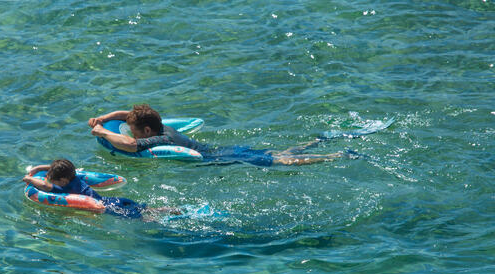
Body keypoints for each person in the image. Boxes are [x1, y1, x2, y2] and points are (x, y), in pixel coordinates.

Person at [89, 104, 354, 166]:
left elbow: (131, 145)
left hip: (220, 160)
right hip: (222, 149)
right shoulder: (163, 127)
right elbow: (128, 115)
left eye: (136, 129)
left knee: (278, 161)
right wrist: (105, 118)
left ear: (147, 131)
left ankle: (333, 155)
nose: (130, 128)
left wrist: (101, 131)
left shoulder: (162, 139)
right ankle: (319, 140)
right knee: (274, 154)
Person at [23, 159, 179, 221]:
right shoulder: (75, 178)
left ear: (62, 181)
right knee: (145, 209)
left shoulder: (63, 187)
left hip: (108, 208)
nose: (50, 180)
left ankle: (162, 220)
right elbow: (58, 169)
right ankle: (169, 209)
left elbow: (44, 187)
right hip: (114, 201)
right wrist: (39, 168)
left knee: (141, 218)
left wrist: (29, 179)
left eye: (53, 179)